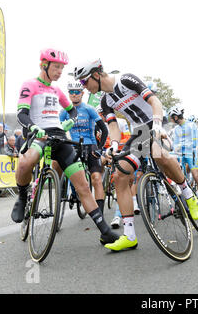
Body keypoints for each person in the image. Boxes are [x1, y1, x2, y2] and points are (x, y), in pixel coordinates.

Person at [73, 59, 198, 252]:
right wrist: (114, 146)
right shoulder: (105, 100)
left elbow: (154, 101)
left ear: (96, 75)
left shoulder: (126, 80)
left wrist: (158, 124)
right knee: (120, 175)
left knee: (158, 153)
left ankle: (188, 193)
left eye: (84, 82)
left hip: (157, 122)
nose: (84, 87)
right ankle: (130, 236)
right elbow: (113, 126)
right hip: (139, 134)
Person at [11, 49, 119, 247]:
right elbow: (21, 114)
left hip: (59, 137)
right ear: (44, 65)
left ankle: (105, 232)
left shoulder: (57, 91)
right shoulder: (30, 85)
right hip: (39, 134)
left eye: (62, 68)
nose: (60, 71)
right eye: (56, 67)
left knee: (83, 185)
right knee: (27, 159)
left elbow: (72, 111)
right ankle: (22, 196)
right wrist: (33, 126)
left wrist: (69, 123)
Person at [59, 80, 109, 215]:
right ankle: (64, 189)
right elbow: (58, 129)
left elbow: (104, 130)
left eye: (77, 92)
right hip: (73, 146)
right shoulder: (64, 112)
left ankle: (100, 214)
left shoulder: (89, 109)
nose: (74, 95)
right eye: (71, 92)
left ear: (82, 93)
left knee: (97, 179)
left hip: (90, 145)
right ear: (68, 94)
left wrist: (99, 149)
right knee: (61, 166)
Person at [169, 107, 198, 212]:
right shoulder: (176, 129)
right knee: (176, 175)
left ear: (176, 117)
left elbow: (195, 141)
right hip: (180, 154)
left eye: (172, 118)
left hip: (191, 152)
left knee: (196, 175)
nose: (171, 121)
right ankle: (180, 201)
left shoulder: (191, 126)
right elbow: (175, 144)